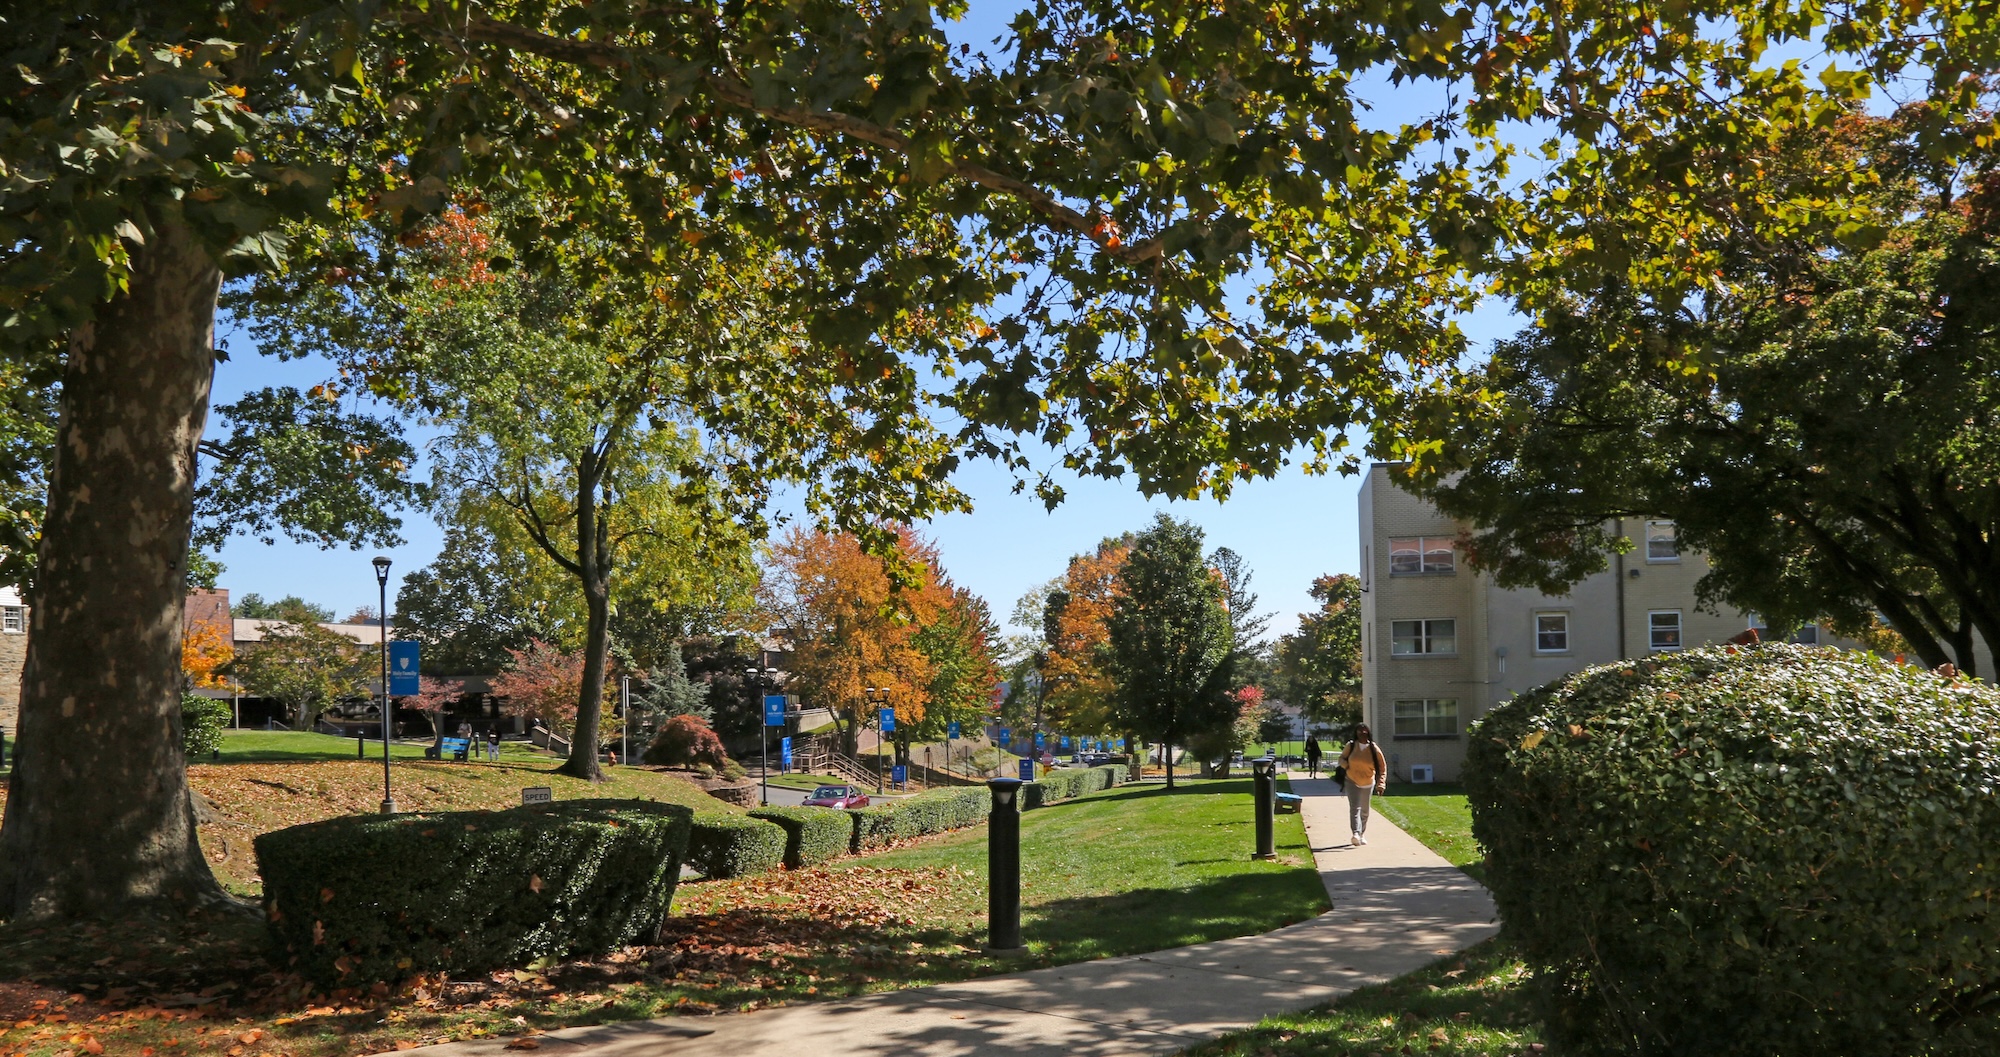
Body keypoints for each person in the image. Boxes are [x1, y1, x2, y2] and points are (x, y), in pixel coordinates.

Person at [1338, 725, 1387, 846]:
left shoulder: (1373, 749)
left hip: (1367, 782)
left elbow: (1382, 768)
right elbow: (1341, 759)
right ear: (1356, 733)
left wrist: (1381, 784)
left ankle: (1361, 834)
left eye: (1364, 732)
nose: (1362, 735)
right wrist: (1346, 766)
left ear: (1368, 734)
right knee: (1355, 808)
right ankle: (1355, 833)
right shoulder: (1351, 745)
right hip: (1351, 780)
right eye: (1359, 732)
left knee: (1364, 811)